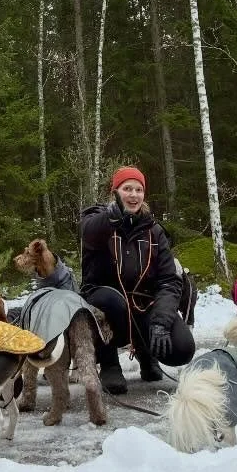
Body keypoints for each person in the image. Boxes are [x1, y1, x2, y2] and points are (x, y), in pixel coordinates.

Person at [79, 165, 195, 394]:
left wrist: (161, 322)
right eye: (127, 188)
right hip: (105, 306)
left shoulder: (154, 231)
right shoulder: (98, 221)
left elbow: (169, 281)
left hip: (142, 305)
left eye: (139, 190)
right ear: (115, 191)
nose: (133, 195)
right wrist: (112, 218)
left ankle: (146, 352)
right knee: (111, 301)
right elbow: (88, 231)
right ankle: (109, 363)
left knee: (182, 347)